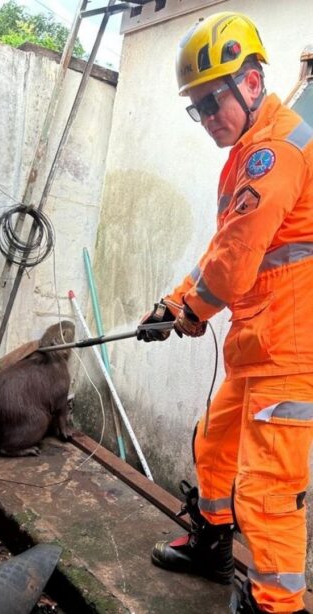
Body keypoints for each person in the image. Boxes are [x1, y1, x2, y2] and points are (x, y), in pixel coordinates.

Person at [137, 11, 313, 614]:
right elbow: (223, 250)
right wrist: (170, 305)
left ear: (253, 82)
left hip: (289, 351)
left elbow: (232, 267)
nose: (208, 118)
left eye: (214, 101)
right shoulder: (244, 157)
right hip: (257, 343)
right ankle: (213, 546)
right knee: (214, 443)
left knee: (268, 492)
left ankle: (273, 606)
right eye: (199, 107)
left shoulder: (274, 153)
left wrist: (196, 311)